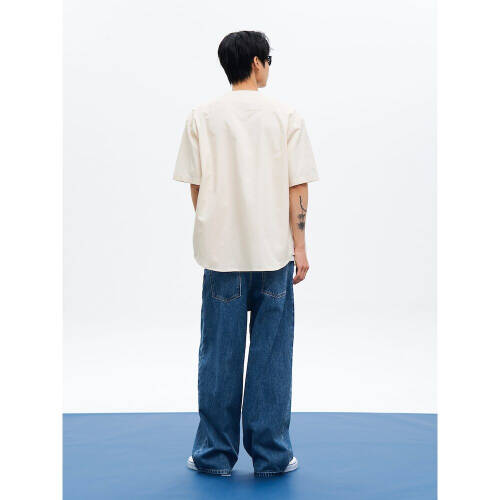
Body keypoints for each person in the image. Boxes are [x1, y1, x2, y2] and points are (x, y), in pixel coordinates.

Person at [173, 30, 319, 477]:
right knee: (271, 358)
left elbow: (196, 185)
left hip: (223, 257)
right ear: (257, 62)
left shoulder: (201, 116)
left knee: (219, 356)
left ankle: (214, 456)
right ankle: (272, 457)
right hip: (273, 254)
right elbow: (297, 184)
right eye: (268, 60)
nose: (269, 67)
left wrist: (217, 226)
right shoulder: (286, 115)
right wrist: (300, 246)